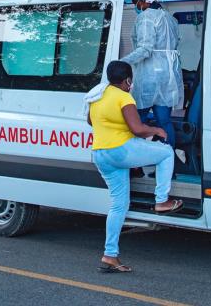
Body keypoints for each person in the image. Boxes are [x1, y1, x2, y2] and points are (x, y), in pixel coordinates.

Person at [86, 61, 183, 273]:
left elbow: (90, 122)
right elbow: (138, 129)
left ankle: (110, 255)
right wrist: (157, 130)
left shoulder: (98, 95)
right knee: (166, 153)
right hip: (121, 150)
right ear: (128, 80)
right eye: (131, 80)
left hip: (100, 153)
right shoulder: (124, 97)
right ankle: (161, 201)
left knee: (119, 205)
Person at [120, 0, 183, 154]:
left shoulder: (147, 17)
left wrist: (121, 63)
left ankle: (135, 165)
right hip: (168, 77)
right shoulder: (169, 17)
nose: (135, 6)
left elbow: (145, 49)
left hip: (149, 76)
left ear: (143, 1)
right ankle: (169, 165)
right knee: (165, 121)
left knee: (137, 122)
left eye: (135, 2)